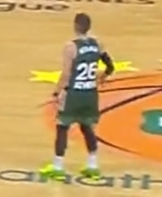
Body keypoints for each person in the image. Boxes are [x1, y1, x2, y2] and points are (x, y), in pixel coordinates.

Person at [39, 12, 115, 181]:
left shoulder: (71, 47)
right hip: (90, 94)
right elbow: (110, 66)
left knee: (62, 128)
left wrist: (56, 92)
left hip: (74, 94)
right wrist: (103, 76)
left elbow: (66, 74)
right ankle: (93, 166)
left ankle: (58, 167)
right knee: (87, 127)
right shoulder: (97, 44)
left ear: (75, 26)